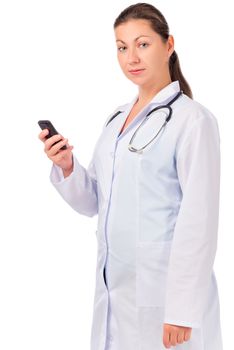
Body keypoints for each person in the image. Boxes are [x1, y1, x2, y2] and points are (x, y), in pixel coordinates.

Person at [38, 3, 223, 350]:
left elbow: (199, 219)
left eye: (142, 44)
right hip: (116, 291)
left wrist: (182, 310)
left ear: (168, 46)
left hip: (165, 297)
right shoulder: (116, 119)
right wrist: (67, 166)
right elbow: (96, 201)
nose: (131, 57)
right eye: (122, 47)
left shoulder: (193, 120)